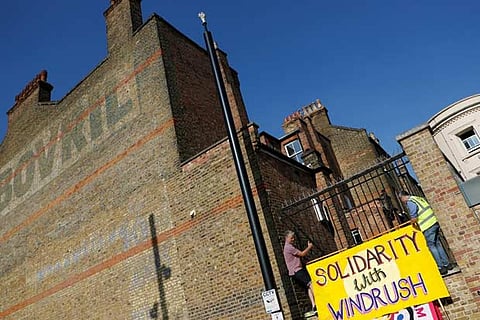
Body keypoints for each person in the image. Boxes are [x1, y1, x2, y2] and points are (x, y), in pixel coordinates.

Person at [398, 191, 453, 275]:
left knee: (431, 245)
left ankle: (441, 267)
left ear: (403, 197)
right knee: (437, 244)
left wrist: (412, 222)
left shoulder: (410, 202)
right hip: (434, 221)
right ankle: (447, 264)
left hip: (427, 225)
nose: (402, 201)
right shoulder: (417, 198)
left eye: (401, 199)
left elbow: (414, 216)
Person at [283, 230, 317, 313]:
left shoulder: (289, 247)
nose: (293, 239)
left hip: (295, 272)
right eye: (291, 238)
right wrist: (309, 247)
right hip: (297, 271)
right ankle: (319, 300)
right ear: (286, 238)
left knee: (308, 286)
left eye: (293, 238)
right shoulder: (289, 247)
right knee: (312, 284)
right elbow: (302, 254)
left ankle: (314, 305)